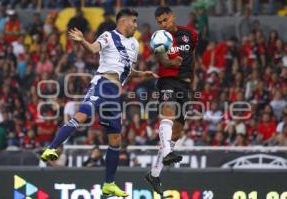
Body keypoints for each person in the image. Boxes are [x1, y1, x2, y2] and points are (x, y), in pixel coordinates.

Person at [40, 8, 157, 197]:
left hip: (116, 93)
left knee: (116, 140)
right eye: (133, 21)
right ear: (122, 22)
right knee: (81, 115)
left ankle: (108, 183)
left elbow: (127, 69)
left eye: (136, 22)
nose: (135, 25)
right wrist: (83, 41)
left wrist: (141, 74)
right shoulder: (109, 36)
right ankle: (51, 148)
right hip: (102, 84)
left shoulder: (134, 44)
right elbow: (93, 48)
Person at [145, 6, 198, 195]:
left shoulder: (190, 34)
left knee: (176, 133)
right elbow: (163, 60)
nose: (163, 24)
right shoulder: (159, 37)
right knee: (167, 112)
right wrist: (171, 62)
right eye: (159, 22)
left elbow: (192, 57)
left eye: (165, 20)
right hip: (167, 80)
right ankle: (167, 153)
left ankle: (154, 173)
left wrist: (194, 81)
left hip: (185, 85)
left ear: (173, 16)